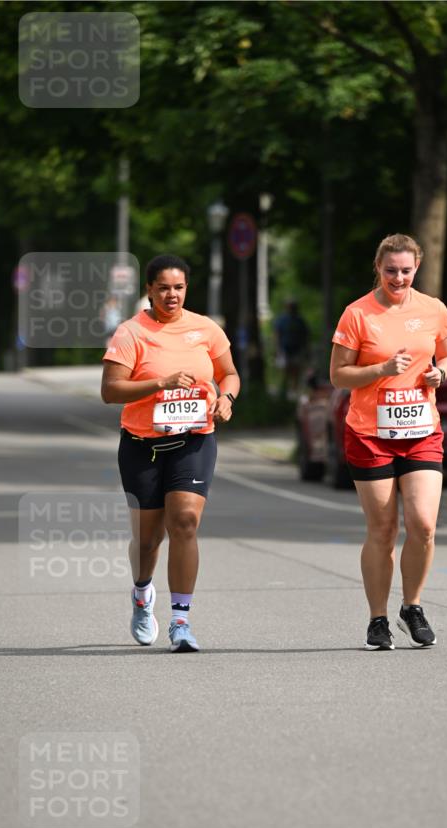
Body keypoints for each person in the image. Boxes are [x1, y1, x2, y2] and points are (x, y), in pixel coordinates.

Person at [101, 253, 240, 652]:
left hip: (194, 440)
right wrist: (161, 383)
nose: (172, 294)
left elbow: (229, 372)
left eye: (178, 287)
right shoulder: (131, 332)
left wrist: (227, 397)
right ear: (149, 289)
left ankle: (181, 621)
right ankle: (142, 594)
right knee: (148, 540)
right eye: (163, 287)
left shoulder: (205, 328)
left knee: (184, 523)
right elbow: (110, 391)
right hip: (142, 446)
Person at [329, 233, 447, 651]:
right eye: (390, 271)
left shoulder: (433, 309)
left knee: (422, 525)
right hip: (370, 434)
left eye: (405, 270)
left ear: (416, 267)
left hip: (421, 430)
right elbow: (339, 375)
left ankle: (412, 607)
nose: (398, 278)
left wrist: (442, 373)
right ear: (378, 268)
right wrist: (381, 368)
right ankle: (377, 619)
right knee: (383, 529)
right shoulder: (358, 314)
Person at [274, 299, 309, 396]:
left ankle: (293, 391)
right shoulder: (282, 320)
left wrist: (306, 350)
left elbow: (305, 336)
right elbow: (277, 335)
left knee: (295, 371)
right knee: (285, 370)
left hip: (297, 349)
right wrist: (277, 349)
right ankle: (284, 391)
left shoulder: (300, 321)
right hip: (284, 349)